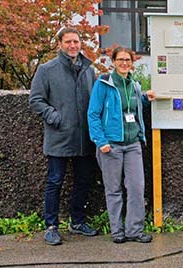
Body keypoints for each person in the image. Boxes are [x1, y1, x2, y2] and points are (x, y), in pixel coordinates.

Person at [29, 27, 98, 246]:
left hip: (84, 137)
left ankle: (76, 221)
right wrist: (54, 116)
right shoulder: (46, 70)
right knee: (55, 181)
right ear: (60, 44)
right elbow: (36, 100)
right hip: (59, 136)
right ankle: (51, 226)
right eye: (68, 42)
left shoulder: (89, 69)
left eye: (76, 42)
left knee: (83, 180)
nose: (73, 45)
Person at [88, 47, 155, 244]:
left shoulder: (134, 85)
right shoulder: (103, 84)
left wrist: (144, 99)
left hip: (133, 143)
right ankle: (117, 232)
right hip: (111, 145)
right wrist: (101, 141)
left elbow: (131, 108)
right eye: (120, 59)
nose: (124, 63)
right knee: (114, 190)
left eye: (128, 59)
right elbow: (93, 114)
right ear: (113, 62)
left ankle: (135, 230)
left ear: (132, 62)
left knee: (136, 187)